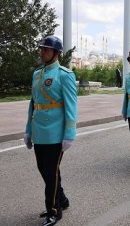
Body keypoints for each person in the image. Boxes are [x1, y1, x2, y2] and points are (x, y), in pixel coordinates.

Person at [24, 36, 78, 226]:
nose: (42, 52)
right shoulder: (37, 74)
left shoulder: (65, 75)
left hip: (56, 133)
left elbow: (71, 107)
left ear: (56, 53)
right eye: (41, 49)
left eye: (46, 49)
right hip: (39, 132)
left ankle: (53, 210)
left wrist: (70, 134)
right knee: (45, 171)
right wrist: (28, 131)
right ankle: (61, 199)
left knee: (51, 172)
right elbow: (33, 105)